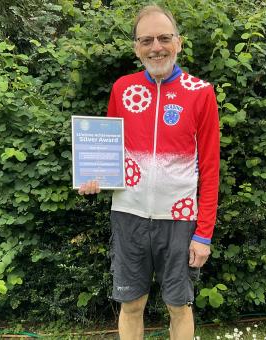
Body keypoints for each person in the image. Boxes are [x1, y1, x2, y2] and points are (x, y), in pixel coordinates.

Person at [78, 4, 220, 339]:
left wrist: (204, 234)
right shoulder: (122, 89)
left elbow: (210, 168)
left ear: (178, 42)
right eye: (146, 40)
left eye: (163, 38)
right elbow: (108, 151)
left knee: (179, 306)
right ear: (136, 48)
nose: (156, 47)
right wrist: (94, 177)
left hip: (180, 219)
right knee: (131, 305)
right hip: (128, 214)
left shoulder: (201, 93)